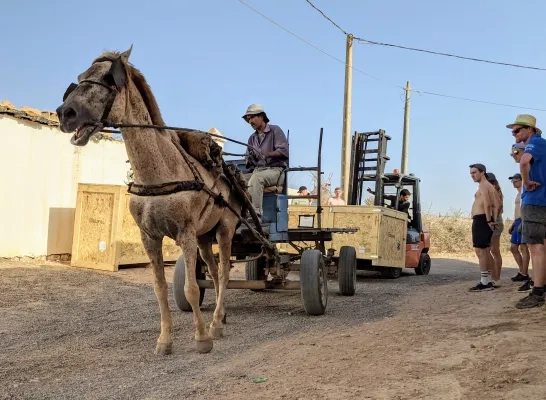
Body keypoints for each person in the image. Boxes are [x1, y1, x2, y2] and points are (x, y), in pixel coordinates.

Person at [507, 114, 546, 309]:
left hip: (535, 201)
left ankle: (537, 292)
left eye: (517, 130)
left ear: (530, 130)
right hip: (542, 201)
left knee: (535, 247)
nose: (513, 134)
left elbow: (524, 162)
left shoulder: (535, 143)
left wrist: (527, 181)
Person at [241, 104, 289, 222]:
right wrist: (250, 159)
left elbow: (284, 151)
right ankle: (239, 215)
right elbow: (249, 162)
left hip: (276, 171)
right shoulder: (252, 138)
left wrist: (267, 154)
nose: (250, 121)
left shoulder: (275, 130)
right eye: (248, 119)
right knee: (237, 179)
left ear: (261, 116)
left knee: (256, 179)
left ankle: (255, 214)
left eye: (252, 117)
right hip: (258, 170)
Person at [468, 163, 501, 291]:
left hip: (482, 219)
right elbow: (497, 204)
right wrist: (493, 218)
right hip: (482, 219)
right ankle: (489, 279)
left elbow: (488, 204)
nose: (472, 175)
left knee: (481, 251)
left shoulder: (484, 185)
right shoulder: (488, 186)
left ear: (482, 172)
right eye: (471, 173)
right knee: (482, 251)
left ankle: (485, 282)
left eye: (474, 172)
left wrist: (489, 220)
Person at [507, 171, 531, 291]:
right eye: (513, 181)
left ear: (521, 180)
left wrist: (523, 221)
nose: (514, 182)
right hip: (517, 221)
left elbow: (524, 208)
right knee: (513, 247)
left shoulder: (524, 191)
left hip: (523, 220)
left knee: (523, 247)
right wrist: (513, 223)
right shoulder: (518, 194)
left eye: (516, 180)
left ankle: (524, 273)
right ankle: (522, 271)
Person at [485, 172, 504, 287]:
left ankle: (496, 277)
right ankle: (494, 275)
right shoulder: (493, 191)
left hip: (495, 223)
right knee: (491, 250)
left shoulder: (495, 192)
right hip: (492, 223)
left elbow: (499, 207)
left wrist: (494, 220)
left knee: (494, 250)